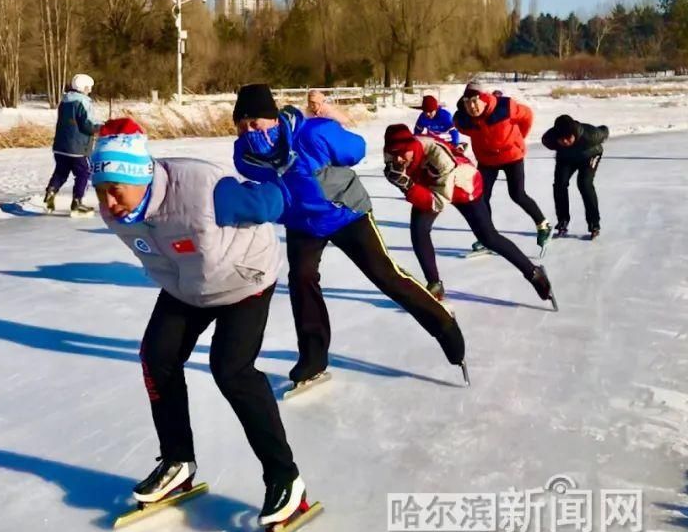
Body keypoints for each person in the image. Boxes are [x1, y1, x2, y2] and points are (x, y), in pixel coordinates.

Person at [91, 117, 309, 527]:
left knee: (232, 370)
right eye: (99, 191)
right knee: (157, 358)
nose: (108, 203)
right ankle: (177, 462)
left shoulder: (204, 193)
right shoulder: (119, 211)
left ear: (138, 176)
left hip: (244, 279)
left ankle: (285, 478)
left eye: (114, 190)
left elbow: (271, 203)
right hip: (188, 285)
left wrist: (279, 178)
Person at [231, 84, 467, 387]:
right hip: (303, 222)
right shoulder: (246, 157)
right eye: (243, 126)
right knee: (301, 280)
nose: (250, 131)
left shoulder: (312, 134)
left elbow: (355, 149)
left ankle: (443, 324)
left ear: (274, 119)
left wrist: (330, 124)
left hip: (347, 211)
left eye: (256, 123)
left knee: (384, 273)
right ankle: (313, 359)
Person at [382, 124, 555, 306]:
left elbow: (437, 202)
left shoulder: (439, 157)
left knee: (488, 237)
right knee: (419, 230)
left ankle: (534, 273)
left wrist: (408, 186)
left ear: (412, 146)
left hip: (462, 183)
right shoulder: (392, 156)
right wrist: (406, 183)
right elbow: (404, 170)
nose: (399, 159)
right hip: (429, 184)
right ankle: (435, 284)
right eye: (394, 154)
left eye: (403, 153)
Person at [452, 82, 551, 252]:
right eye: (467, 103)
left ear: (484, 99)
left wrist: (518, 138)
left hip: (511, 156)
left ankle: (543, 224)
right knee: (481, 198)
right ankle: (487, 237)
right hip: (487, 160)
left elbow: (527, 116)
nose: (472, 107)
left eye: (475, 101)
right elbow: (461, 128)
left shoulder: (505, 107)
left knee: (517, 194)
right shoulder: (463, 120)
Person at [541, 114, 608, 240]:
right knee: (559, 184)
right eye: (561, 139)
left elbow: (604, 131)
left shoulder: (591, 135)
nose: (565, 142)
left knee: (584, 183)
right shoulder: (549, 139)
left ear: (574, 134)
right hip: (566, 158)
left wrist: (604, 130)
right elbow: (551, 142)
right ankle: (563, 221)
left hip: (590, 155)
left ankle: (594, 223)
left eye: (568, 138)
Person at [44, 73, 101, 216]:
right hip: (78, 148)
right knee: (83, 173)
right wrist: (102, 127)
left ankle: (51, 192)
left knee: (61, 172)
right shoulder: (83, 102)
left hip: (61, 146)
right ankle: (77, 203)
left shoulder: (65, 101)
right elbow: (87, 125)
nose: (90, 90)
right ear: (83, 87)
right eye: (89, 87)